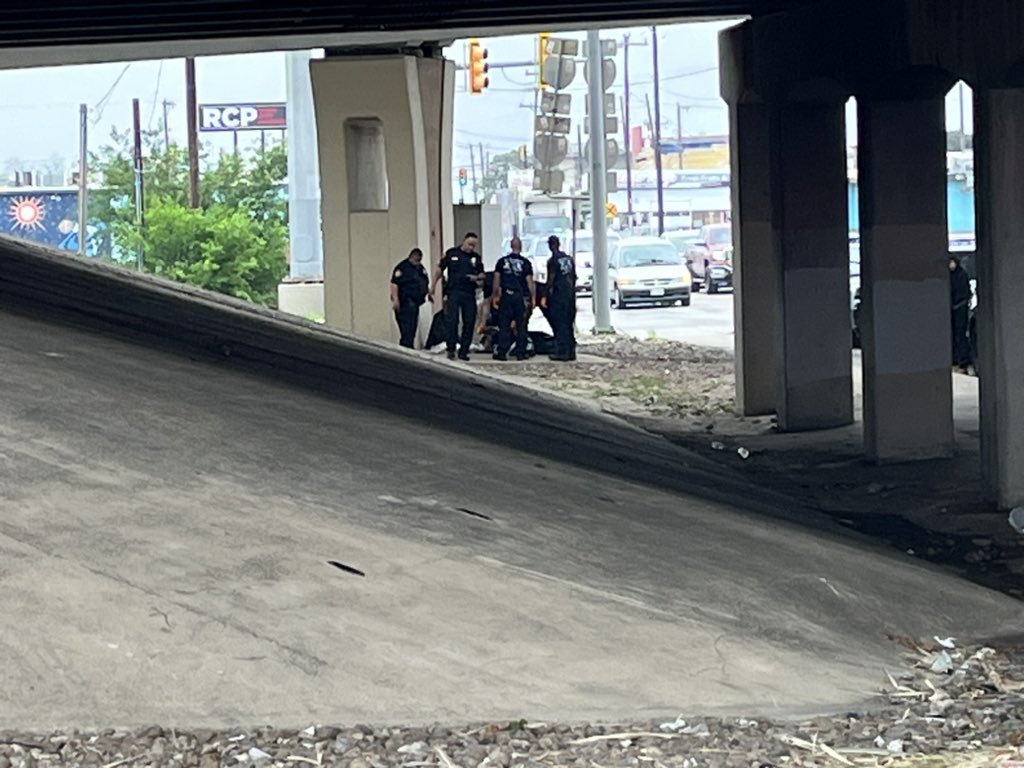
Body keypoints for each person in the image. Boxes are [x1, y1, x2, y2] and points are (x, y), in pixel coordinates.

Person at [432, 232, 485, 360]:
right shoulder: (452, 253)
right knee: (452, 320)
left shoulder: (476, 258)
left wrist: (476, 278)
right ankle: (451, 348)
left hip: (469, 293)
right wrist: (433, 286)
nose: (471, 247)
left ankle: (464, 351)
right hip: (454, 292)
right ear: (464, 241)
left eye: (473, 245)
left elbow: (482, 276)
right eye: (469, 244)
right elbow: (440, 270)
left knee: (469, 322)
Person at [491, 236, 536, 360]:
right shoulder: (525, 263)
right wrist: (532, 298)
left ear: (511, 246)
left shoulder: (502, 261)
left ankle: (502, 352)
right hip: (519, 296)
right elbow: (530, 282)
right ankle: (521, 352)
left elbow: (496, 279)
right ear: (520, 247)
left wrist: (495, 295)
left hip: (506, 295)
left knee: (504, 325)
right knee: (521, 325)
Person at [389, 247, 429, 349]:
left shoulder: (420, 268)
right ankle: (405, 349)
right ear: (412, 257)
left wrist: (428, 293)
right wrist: (396, 300)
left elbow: (424, 282)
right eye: (417, 260)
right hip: (404, 303)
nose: (418, 262)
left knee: (412, 329)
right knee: (406, 330)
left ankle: (408, 348)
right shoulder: (402, 268)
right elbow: (394, 284)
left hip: (415, 303)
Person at [545, 235, 577, 361]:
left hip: (559, 295)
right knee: (569, 323)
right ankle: (571, 351)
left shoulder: (552, 261)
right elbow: (574, 277)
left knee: (560, 324)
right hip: (570, 295)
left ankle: (562, 352)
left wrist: (546, 294)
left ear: (550, 245)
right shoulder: (569, 259)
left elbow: (551, 279)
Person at [950, 254, 972, 372]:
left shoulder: (961, 275)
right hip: (955, 308)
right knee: (954, 335)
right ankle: (956, 359)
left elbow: (964, 293)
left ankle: (962, 360)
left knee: (960, 335)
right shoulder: (952, 275)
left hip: (959, 309)